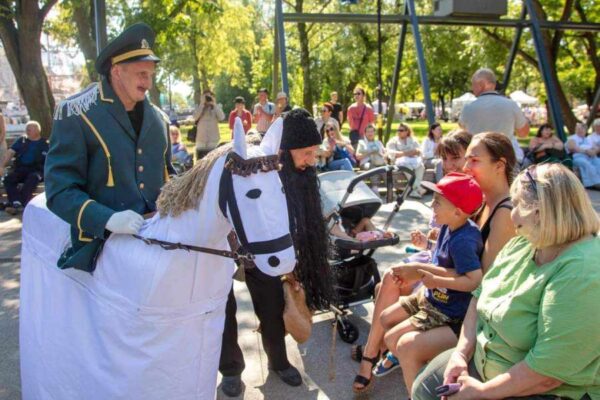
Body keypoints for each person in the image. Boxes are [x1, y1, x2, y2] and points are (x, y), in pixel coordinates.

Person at [412, 163, 600, 400]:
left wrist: (481, 393)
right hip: (483, 363)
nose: (511, 215)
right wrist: (461, 352)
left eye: (517, 205)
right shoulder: (524, 242)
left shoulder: (583, 272)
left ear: (541, 212)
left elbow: (548, 374)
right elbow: (479, 295)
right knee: (424, 387)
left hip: (544, 391)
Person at [219, 109, 334, 397]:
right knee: (224, 308)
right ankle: (231, 369)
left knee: (271, 307)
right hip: (229, 246)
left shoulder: (301, 174)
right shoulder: (252, 163)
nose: (311, 160)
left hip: (269, 252)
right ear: (283, 150)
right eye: (306, 153)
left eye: (314, 152)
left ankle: (279, 361)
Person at [350, 130, 473, 393]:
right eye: (445, 159)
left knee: (391, 288)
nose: (450, 165)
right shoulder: (450, 206)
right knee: (387, 288)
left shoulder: (467, 216)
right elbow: (440, 242)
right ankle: (378, 350)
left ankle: (375, 356)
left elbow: (469, 269)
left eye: (456, 158)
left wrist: (423, 269)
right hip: (435, 274)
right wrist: (428, 243)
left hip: (445, 294)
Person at [45, 22, 174, 272]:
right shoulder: (76, 113)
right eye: (141, 74)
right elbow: (59, 190)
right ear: (116, 71)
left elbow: (169, 174)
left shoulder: (158, 120)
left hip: (157, 242)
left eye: (150, 75)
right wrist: (107, 218)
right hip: (101, 246)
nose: (148, 83)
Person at [379, 173, 484, 395]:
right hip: (432, 297)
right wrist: (427, 243)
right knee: (387, 326)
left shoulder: (464, 240)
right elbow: (444, 255)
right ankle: (419, 368)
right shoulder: (450, 226)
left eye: (438, 202)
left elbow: (474, 280)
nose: (431, 205)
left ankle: (416, 390)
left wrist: (435, 279)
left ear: (457, 211)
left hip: (448, 310)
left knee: (397, 342)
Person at [459, 68, 530, 163]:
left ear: (482, 85)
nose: (472, 88)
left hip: (478, 160)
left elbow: (463, 132)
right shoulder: (511, 105)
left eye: (473, 85)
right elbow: (523, 133)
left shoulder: (468, 107)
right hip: (505, 160)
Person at [0, 121, 48, 215]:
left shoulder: (45, 144)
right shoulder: (22, 140)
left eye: (30, 128)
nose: (27, 130)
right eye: (26, 128)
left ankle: (15, 204)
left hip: (36, 170)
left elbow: (51, 160)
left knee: (33, 178)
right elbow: (10, 153)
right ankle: (17, 202)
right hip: (21, 169)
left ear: (37, 130)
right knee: (9, 179)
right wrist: (1, 166)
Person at [386, 123, 426, 198]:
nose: (399, 132)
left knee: (421, 167)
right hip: (400, 163)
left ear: (407, 131)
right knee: (406, 166)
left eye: (401, 130)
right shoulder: (393, 140)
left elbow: (419, 151)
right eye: (398, 130)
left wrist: (415, 152)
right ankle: (418, 188)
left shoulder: (413, 140)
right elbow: (391, 153)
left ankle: (413, 191)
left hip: (413, 161)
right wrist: (406, 153)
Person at [566, 122, 600, 190]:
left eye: (582, 129)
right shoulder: (572, 138)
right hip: (578, 157)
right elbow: (572, 147)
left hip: (590, 156)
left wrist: (594, 152)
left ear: (585, 130)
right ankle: (594, 183)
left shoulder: (588, 139)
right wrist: (586, 151)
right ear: (575, 130)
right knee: (586, 164)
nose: (580, 130)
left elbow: (596, 148)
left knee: (598, 162)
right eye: (578, 129)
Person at [193, 89, 225, 162]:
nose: (207, 99)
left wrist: (214, 104)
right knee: (200, 161)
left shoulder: (217, 106)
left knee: (213, 161)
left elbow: (222, 117)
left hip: (213, 139)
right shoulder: (198, 106)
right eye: (206, 97)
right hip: (201, 138)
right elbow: (195, 117)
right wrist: (202, 104)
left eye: (209, 96)